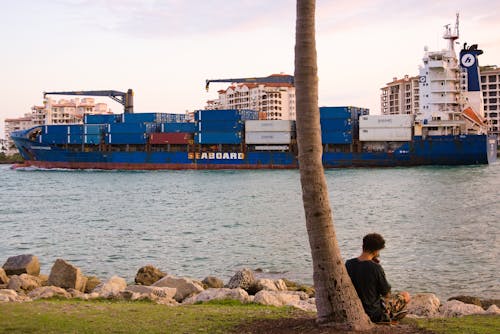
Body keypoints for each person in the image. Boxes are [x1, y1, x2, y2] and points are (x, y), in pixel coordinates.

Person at [345, 233, 410, 323]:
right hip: (373, 313)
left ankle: (391, 316)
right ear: (376, 251)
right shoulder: (375, 268)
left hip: (355, 310)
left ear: (363, 246)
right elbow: (386, 294)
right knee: (405, 295)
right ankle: (389, 317)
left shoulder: (348, 264)